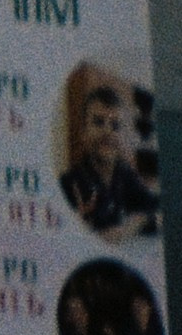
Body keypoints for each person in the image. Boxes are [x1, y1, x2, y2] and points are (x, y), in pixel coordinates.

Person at [58, 73, 160, 240]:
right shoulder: (70, 184)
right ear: (83, 132)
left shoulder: (123, 174)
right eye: (98, 122)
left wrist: (135, 224)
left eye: (115, 125)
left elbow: (155, 208)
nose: (107, 131)